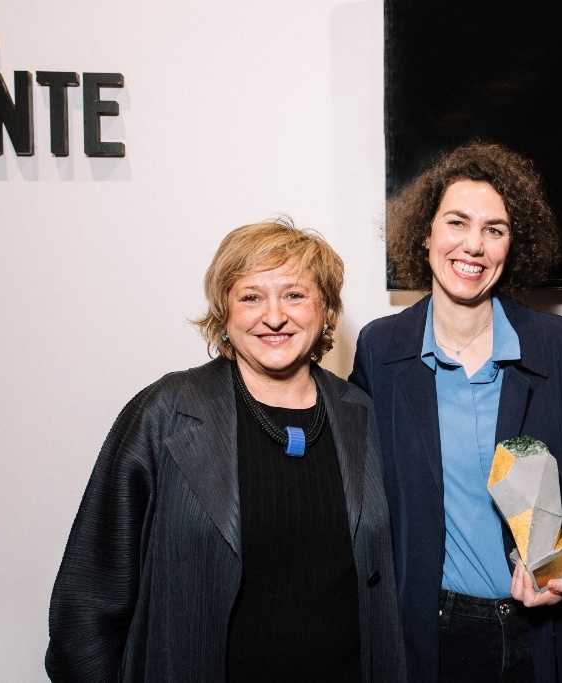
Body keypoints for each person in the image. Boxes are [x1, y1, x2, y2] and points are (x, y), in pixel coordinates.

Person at [46, 219, 405, 682]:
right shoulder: (167, 412)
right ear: (224, 312)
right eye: (251, 297)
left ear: (326, 309)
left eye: (295, 295)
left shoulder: (364, 413)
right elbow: (89, 594)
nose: (273, 316)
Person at [350, 141, 562, 682]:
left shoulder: (560, 347)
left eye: (494, 229)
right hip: (433, 635)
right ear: (425, 233)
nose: (473, 245)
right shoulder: (381, 350)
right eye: (456, 222)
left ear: (513, 244)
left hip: (552, 631)